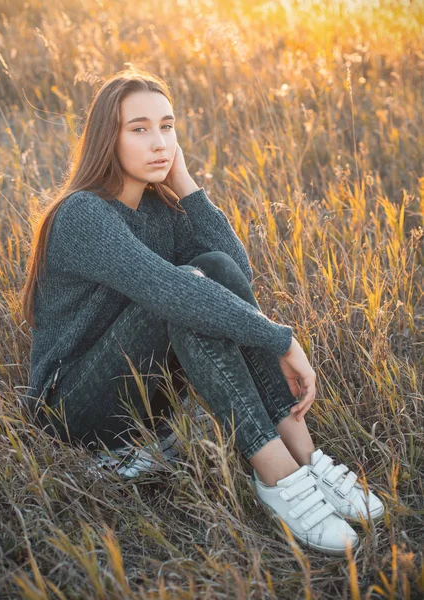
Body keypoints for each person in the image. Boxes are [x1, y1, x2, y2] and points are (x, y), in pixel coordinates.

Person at [20, 68, 384, 557]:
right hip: (72, 407)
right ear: (108, 137)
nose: (159, 143)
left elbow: (236, 273)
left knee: (209, 270)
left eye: (167, 127)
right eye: (140, 128)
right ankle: (278, 476)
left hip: (145, 393)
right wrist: (281, 339)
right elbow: (170, 291)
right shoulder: (84, 213)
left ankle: (306, 456)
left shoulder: (160, 211)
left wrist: (187, 185)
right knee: (186, 290)